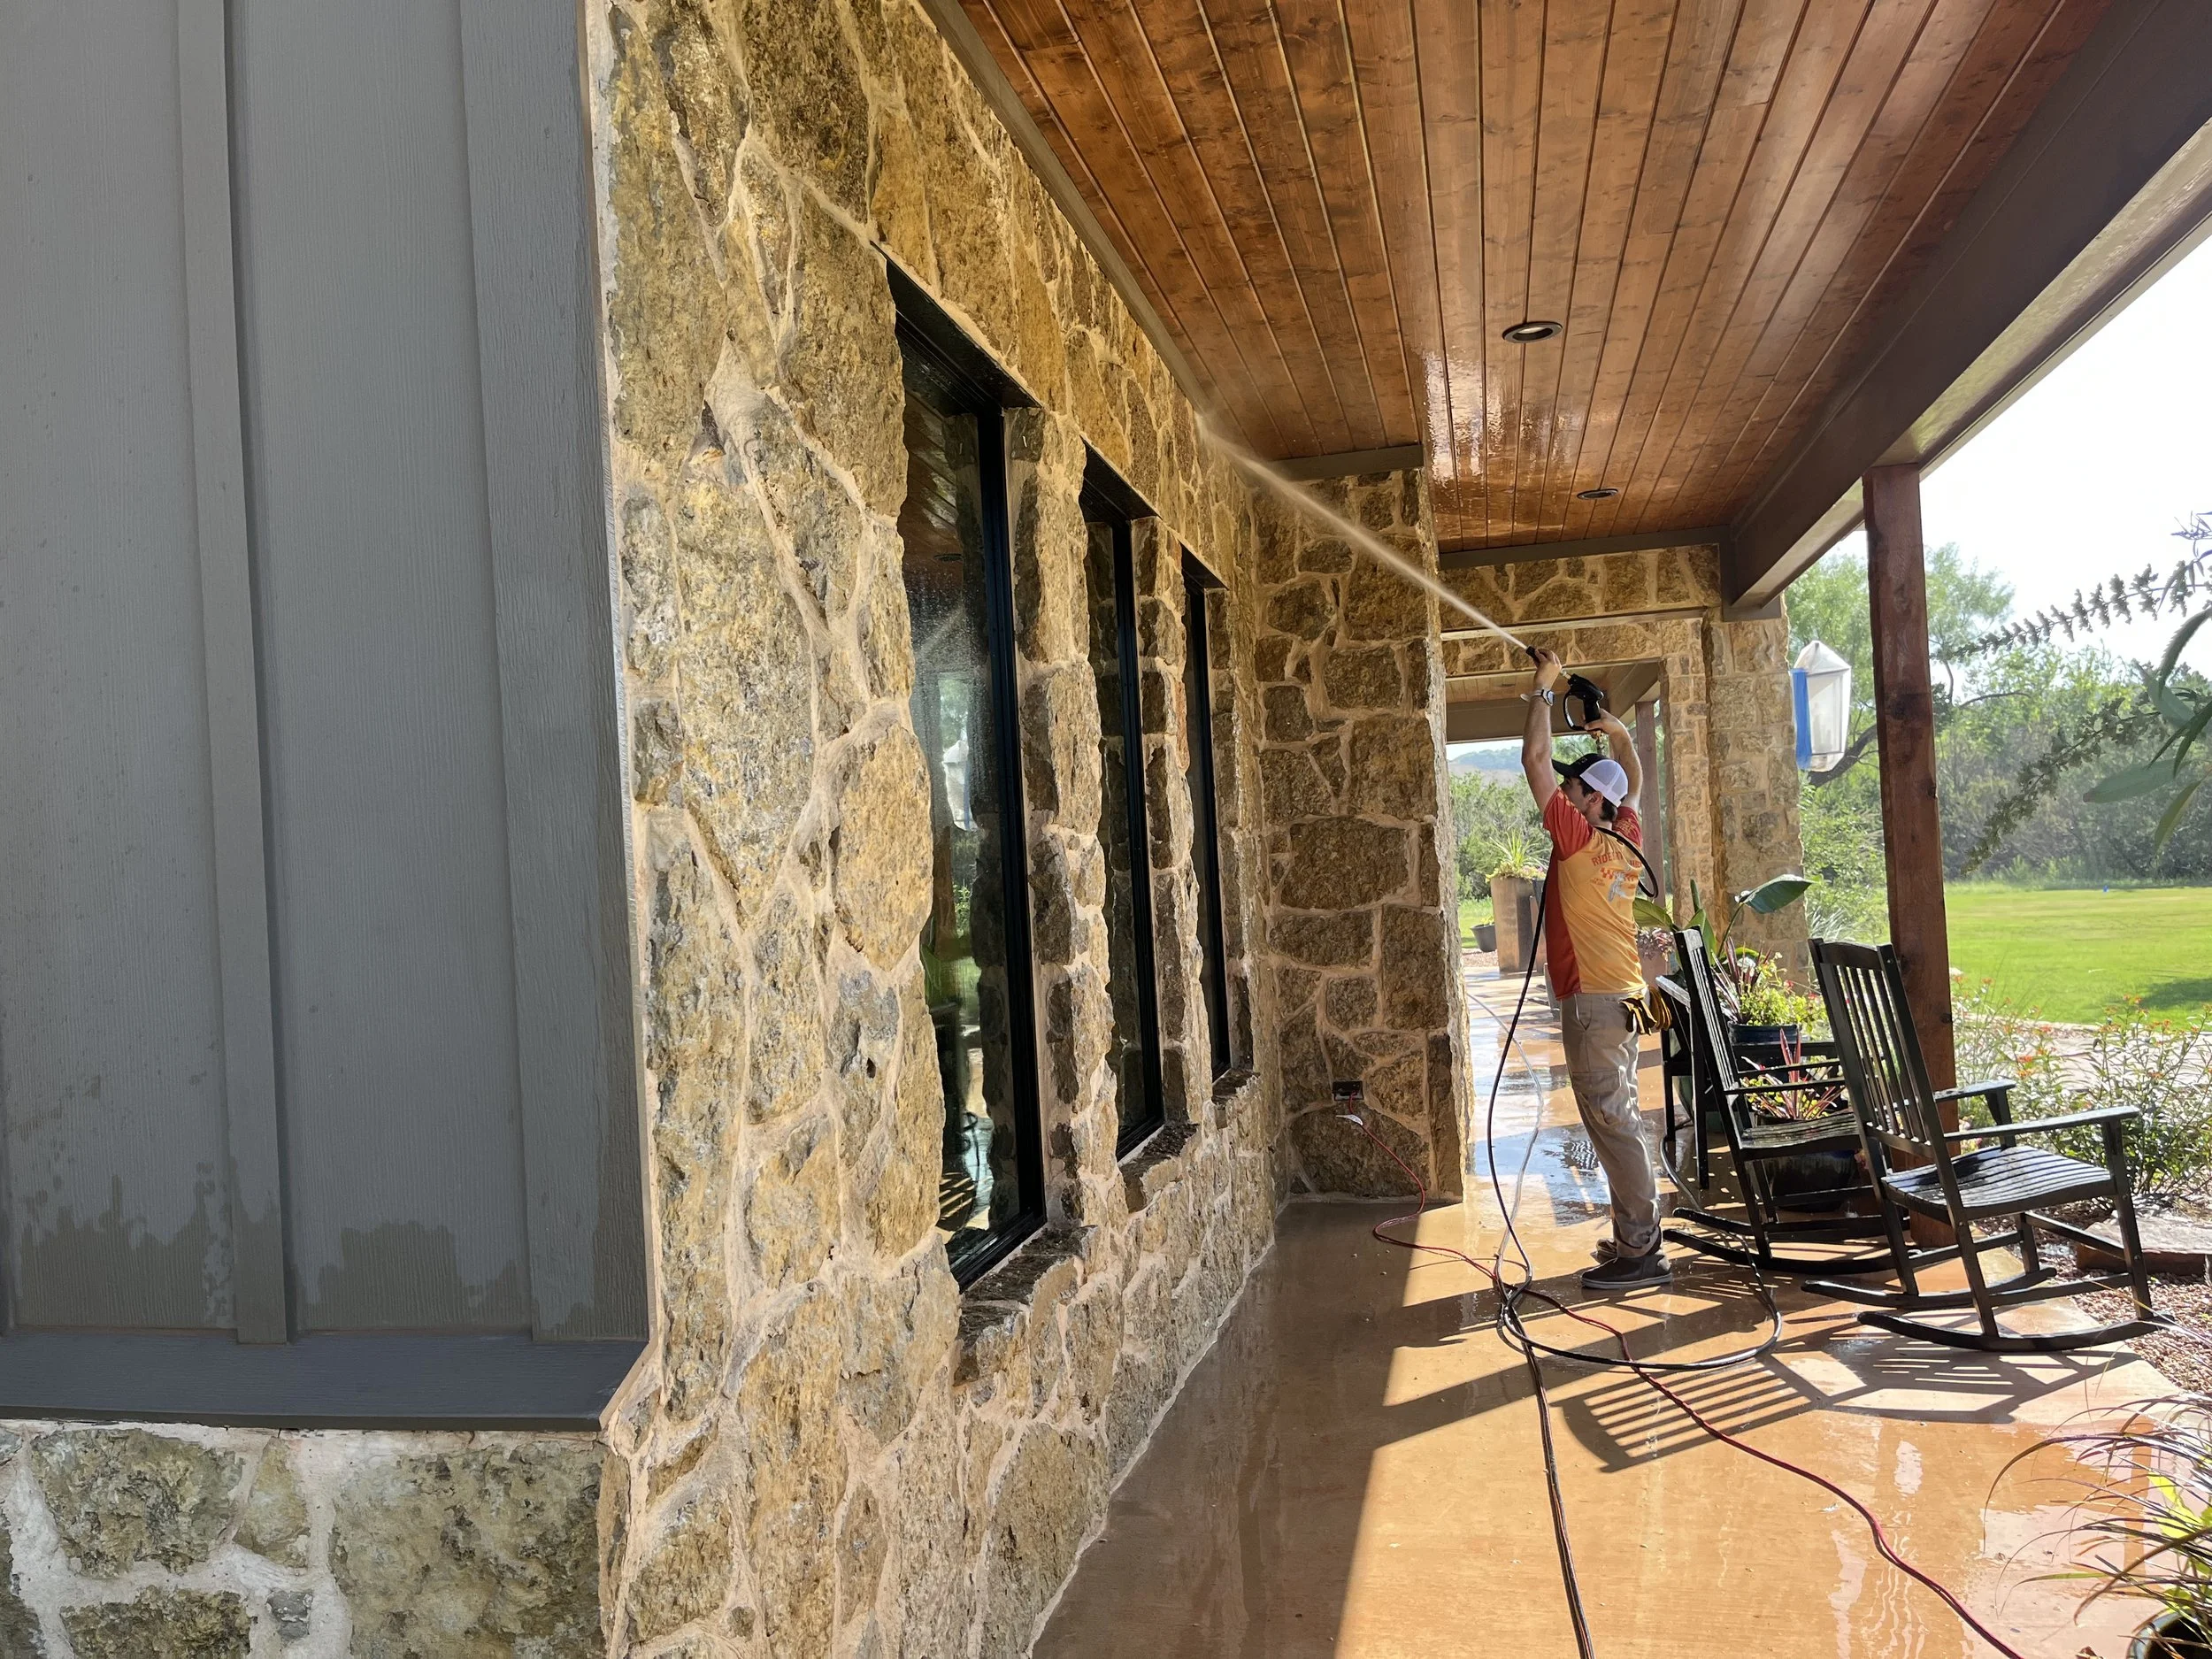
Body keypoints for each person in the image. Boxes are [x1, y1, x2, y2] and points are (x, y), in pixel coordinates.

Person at [1518, 649, 1667, 1291]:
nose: (1566, 793)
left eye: (1574, 788)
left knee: (1613, 1121)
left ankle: (1643, 1249)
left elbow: (1534, 761)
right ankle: (1635, 1235)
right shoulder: (1626, 834)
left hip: (1597, 1003)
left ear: (1591, 800)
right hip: (1625, 996)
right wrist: (1620, 734)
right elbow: (1633, 781)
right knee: (1618, 1115)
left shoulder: (1578, 839)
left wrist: (1543, 689)